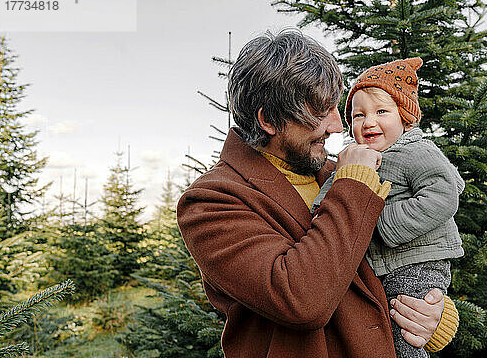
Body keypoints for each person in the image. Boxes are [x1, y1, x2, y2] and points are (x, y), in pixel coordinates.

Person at [177, 30, 459, 358]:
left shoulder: (332, 174)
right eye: (321, 112)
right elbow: (302, 299)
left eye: (338, 109)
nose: (339, 126)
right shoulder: (212, 202)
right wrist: (353, 185)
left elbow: (381, 263)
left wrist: (432, 313)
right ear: (269, 120)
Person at [312, 57, 464, 358]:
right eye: (358, 116)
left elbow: (446, 192)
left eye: (382, 112)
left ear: (405, 118)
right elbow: (337, 185)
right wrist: (318, 210)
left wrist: (383, 224)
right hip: (388, 268)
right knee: (389, 329)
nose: (369, 122)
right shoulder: (355, 156)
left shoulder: (415, 151)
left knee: (404, 334)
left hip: (419, 262)